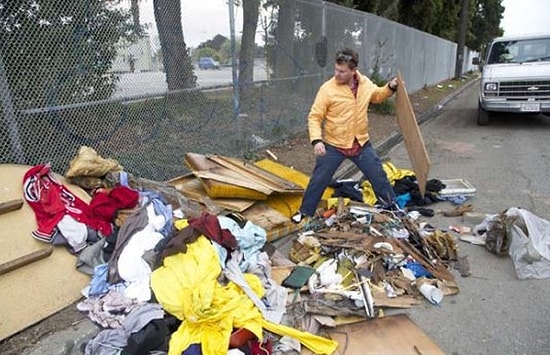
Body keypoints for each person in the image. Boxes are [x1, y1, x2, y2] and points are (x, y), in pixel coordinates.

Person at [292, 48, 399, 223]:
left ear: (353, 70)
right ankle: (305, 212)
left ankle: (392, 208)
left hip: (360, 143)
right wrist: (317, 141)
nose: (337, 74)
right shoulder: (327, 89)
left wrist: (390, 87)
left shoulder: (364, 84)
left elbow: (378, 96)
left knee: (378, 176)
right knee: (319, 179)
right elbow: (315, 116)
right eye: (336, 69)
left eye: (342, 71)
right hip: (334, 145)